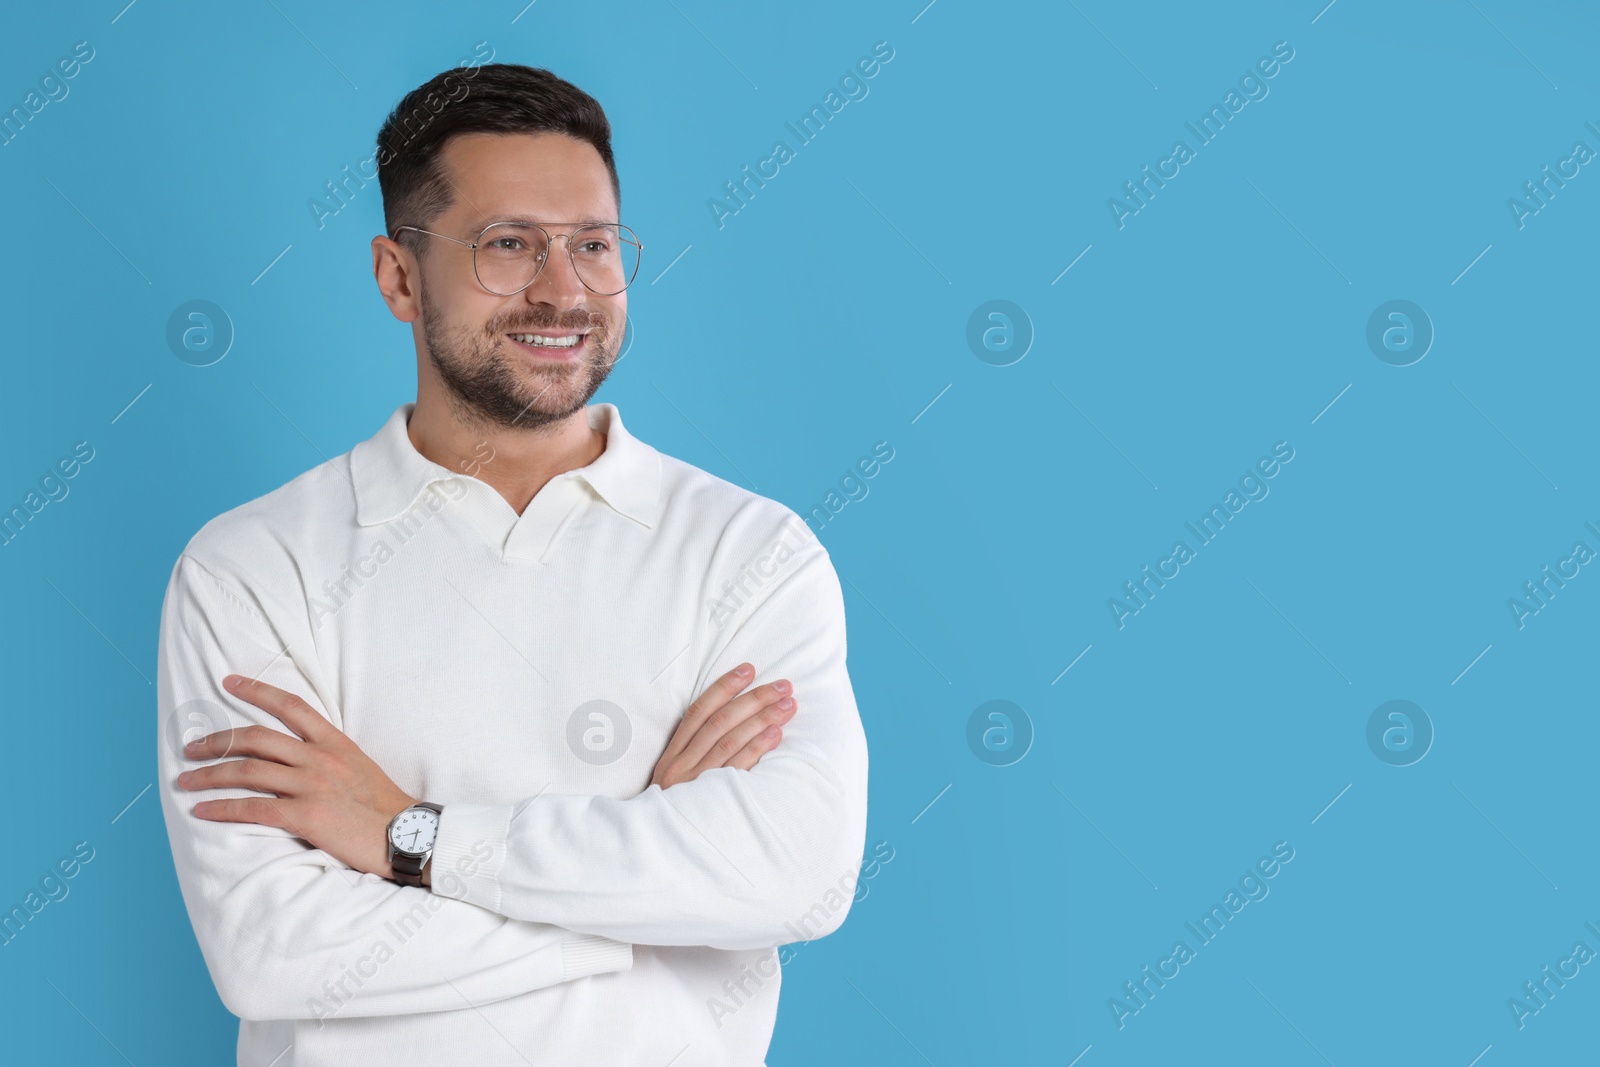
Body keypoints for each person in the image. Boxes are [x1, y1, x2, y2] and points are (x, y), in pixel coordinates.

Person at [155, 62, 868, 1067]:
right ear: (398, 277)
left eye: (593, 244)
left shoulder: (749, 554)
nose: (562, 288)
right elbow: (270, 952)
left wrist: (411, 838)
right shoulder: (250, 568)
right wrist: (648, 879)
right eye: (507, 245)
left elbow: (799, 880)